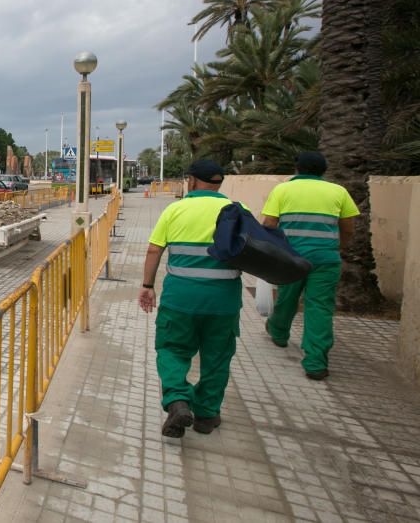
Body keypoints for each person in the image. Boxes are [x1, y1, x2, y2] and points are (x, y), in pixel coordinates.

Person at [139, 160, 242, 438]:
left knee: (173, 349)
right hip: (224, 302)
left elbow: (153, 250)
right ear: (219, 183)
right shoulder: (235, 211)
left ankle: (178, 401)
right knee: (217, 358)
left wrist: (147, 285)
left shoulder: (176, 209)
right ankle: (207, 416)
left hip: (180, 299)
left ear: (192, 182)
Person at [261, 151, 359, 380]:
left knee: (287, 297)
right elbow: (348, 228)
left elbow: (269, 223)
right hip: (326, 259)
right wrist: (337, 248)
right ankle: (316, 362)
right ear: (323, 170)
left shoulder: (283, 189)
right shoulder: (338, 191)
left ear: (297, 168)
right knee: (320, 307)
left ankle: (279, 332)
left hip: (292, 258)